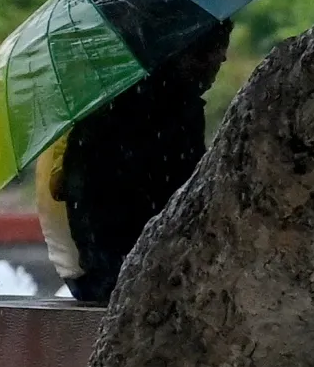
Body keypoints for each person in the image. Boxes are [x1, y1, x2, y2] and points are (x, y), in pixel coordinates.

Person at [35, 21, 232, 304]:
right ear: (184, 51)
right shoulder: (168, 111)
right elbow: (187, 199)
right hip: (120, 278)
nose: (221, 60)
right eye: (213, 49)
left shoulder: (113, 95)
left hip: (90, 276)